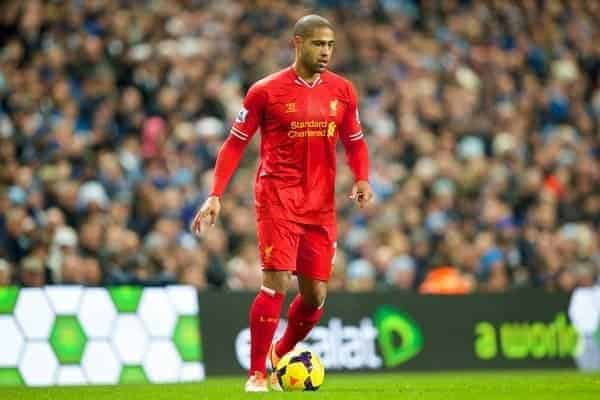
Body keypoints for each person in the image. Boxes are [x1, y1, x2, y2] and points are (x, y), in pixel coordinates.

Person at [191, 14, 372, 392]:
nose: (325, 52)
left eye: (330, 45)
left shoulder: (343, 91)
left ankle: (279, 353)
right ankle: (256, 373)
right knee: (275, 282)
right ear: (297, 43)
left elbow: (354, 141)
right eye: (318, 44)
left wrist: (361, 178)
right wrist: (215, 193)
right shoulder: (265, 91)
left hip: (320, 206)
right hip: (277, 199)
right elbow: (235, 142)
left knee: (316, 295)